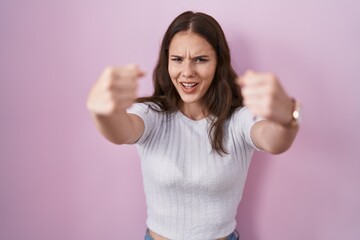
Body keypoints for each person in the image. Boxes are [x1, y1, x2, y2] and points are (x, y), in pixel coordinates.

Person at [86, 11, 300, 240]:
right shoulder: (151, 115)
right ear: (167, 62)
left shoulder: (238, 119)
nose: (187, 72)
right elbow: (120, 131)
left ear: (218, 62)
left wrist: (287, 117)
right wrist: (102, 113)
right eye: (177, 59)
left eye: (200, 59)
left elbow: (274, 140)